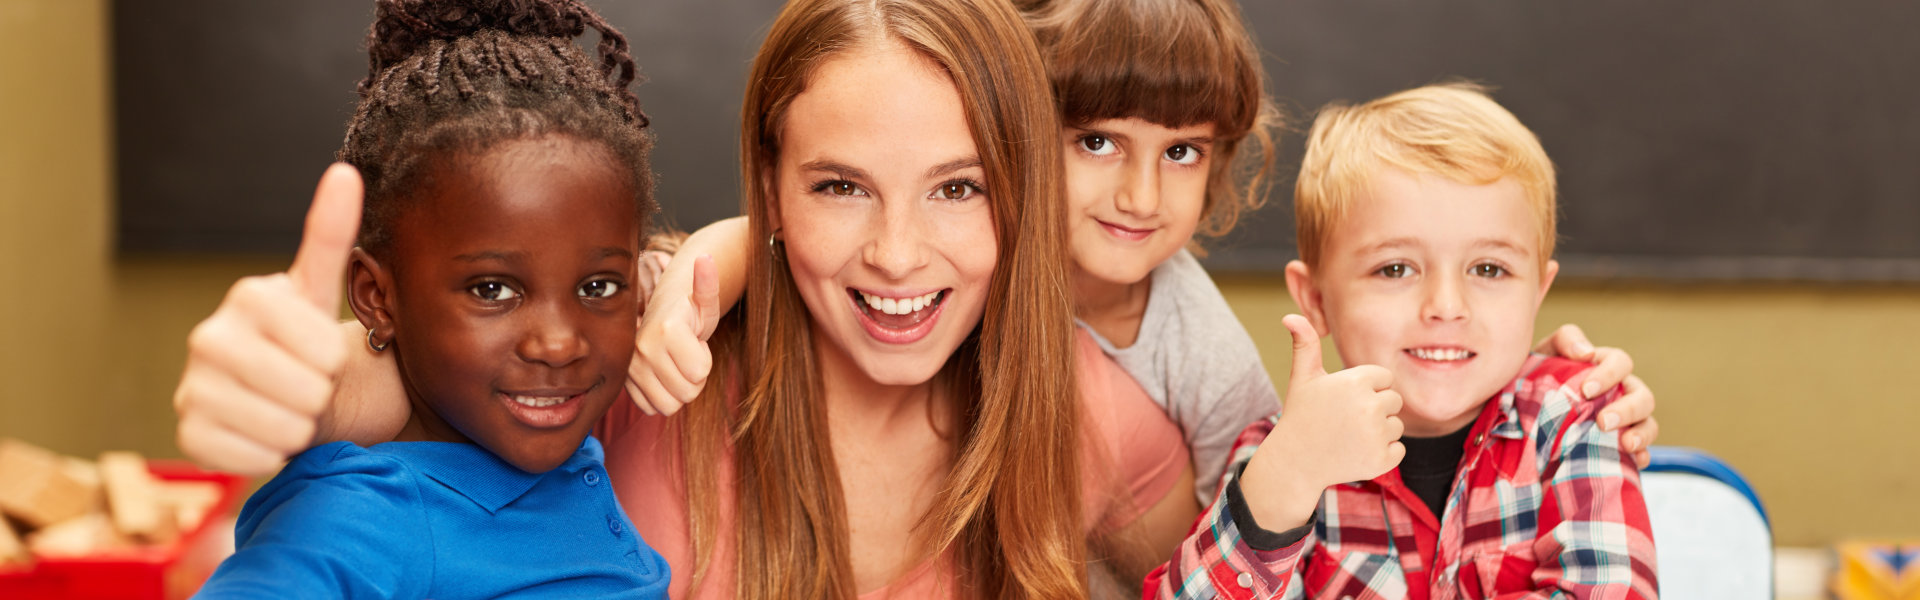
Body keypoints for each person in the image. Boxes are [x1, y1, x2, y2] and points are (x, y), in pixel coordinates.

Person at [177, 0, 1198, 598]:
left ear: (1022, 194)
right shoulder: (650, 351)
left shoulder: (1092, 418)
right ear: (772, 194)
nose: (897, 255)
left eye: (959, 187)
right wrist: (303, 394)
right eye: (841, 186)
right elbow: (414, 391)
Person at [627, 0, 1662, 513]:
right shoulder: (953, 241)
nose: (1137, 194)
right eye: (1095, 143)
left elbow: (1277, 510)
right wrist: (688, 286)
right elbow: (775, 239)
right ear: (1020, 138)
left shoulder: (1191, 343)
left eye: (1180, 154)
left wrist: (1537, 392)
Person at [191, 1, 669, 598]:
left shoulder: (566, 461)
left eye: (597, 287)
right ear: (376, 298)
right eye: (492, 290)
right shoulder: (362, 517)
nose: (560, 342)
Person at [1148, 83, 1659, 598]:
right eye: (1395, 268)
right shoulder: (1278, 454)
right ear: (1317, 300)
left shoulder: (1576, 418)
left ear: (1537, 293)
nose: (1445, 305)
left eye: (1489, 268)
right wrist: (1284, 483)